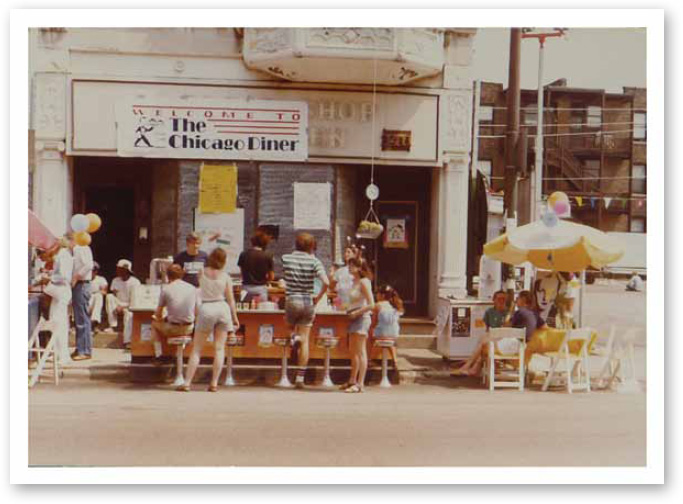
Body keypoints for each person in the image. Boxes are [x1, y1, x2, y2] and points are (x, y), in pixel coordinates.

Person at [179, 248, 239, 392]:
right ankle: (214, 383)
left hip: (206, 308)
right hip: (222, 308)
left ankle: (187, 383)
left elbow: (200, 289)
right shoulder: (225, 276)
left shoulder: (202, 272)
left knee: (197, 349)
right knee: (219, 348)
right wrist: (235, 318)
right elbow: (231, 299)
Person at [281, 233, 329, 389]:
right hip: (308, 301)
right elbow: (326, 282)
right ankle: (300, 378)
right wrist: (318, 296)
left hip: (292, 298)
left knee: (288, 327)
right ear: (311, 246)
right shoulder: (315, 261)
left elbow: (284, 278)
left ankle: (293, 337)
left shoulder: (286, 258)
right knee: (306, 340)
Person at [451, 290, 509, 377]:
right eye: (499, 299)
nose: (501, 301)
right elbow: (488, 328)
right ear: (494, 300)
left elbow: (506, 329)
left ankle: (467, 366)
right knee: (484, 339)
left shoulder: (508, 313)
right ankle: (473, 368)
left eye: (503, 299)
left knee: (483, 340)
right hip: (492, 337)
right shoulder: (490, 312)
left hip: (503, 339)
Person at [150, 264, 198, 366]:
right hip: (189, 328)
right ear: (182, 275)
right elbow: (197, 311)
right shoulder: (192, 288)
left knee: (154, 324)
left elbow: (158, 313)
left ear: (168, 276)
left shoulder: (166, 289)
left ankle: (159, 355)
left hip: (173, 329)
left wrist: (160, 317)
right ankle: (181, 354)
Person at [340, 257, 375, 393]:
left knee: (360, 351)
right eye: (349, 265)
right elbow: (353, 300)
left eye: (353, 265)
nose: (349, 267)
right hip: (353, 316)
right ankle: (352, 380)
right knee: (353, 351)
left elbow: (371, 304)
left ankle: (360, 383)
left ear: (360, 267)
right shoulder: (354, 282)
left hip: (361, 317)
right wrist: (346, 307)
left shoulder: (364, 282)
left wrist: (357, 312)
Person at [40, 238, 73, 363]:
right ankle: (57, 353)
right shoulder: (63, 255)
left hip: (61, 291)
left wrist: (49, 278)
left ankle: (63, 356)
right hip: (60, 292)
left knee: (59, 323)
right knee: (56, 322)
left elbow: (64, 276)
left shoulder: (63, 255)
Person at [106, 259, 141, 346]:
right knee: (109, 297)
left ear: (126, 270)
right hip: (118, 304)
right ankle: (112, 325)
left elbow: (135, 301)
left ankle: (127, 341)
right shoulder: (115, 280)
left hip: (130, 305)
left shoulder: (135, 282)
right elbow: (114, 295)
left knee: (129, 314)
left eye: (120, 269)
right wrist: (118, 306)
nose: (118, 271)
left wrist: (124, 307)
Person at [70, 234, 94, 360]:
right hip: (79, 285)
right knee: (80, 318)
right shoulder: (78, 249)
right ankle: (81, 347)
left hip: (81, 284)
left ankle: (84, 350)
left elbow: (88, 265)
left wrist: (76, 276)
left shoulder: (81, 248)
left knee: (82, 318)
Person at [237, 230, 275, 304]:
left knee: (246, 313)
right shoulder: (267, 256)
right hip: (261, 289)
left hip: (246, 288)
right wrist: (266, 280)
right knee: (261, 313)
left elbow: (242, 273)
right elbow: (271, 276)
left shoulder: (243, 254)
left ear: (252, 242)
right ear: (265, 243)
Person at [372, 284, 404, 368]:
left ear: (382, 295)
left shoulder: (378, 305)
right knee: (390, 341)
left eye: (377, 293)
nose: (376, 295)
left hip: (382, 334)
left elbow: (374, 323)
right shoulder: (396, 305)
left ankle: (369, 359)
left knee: (368, 336)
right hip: (394, 333)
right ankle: (395, 360)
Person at [329, 245, 360, 310]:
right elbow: (331, 288)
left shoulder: (358, 271)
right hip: (341, 304)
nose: (346, 254)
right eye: (345, 252)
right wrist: (337, 306)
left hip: (354, 305)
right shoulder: (339, 271)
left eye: (349, 252)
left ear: (355, 254)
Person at [88, 262, 108, 328]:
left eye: (93, 270)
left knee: (98, 296)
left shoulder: (101, 279)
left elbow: (104, 291)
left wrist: (95, 292)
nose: (91, 272)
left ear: (96, 271)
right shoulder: (82, 279)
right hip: (85, 300)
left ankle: (94, 320)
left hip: (94, 301)